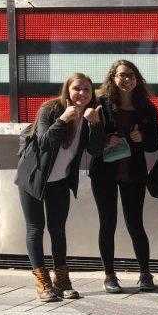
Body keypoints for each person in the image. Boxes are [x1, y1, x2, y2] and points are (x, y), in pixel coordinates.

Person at [15, 73, 104, 302]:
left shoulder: (90, 114)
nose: (82, 94)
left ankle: (62, 280)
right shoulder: (51, 109)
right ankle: (42, 281)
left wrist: (95, 124)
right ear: (67, 90)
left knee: (58, 230)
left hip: (60, 181)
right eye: (77, 89)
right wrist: (63, 119)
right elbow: (44, 143)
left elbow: (95, 150)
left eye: (86, 89)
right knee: (36, 229)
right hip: (34, 177)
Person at [90, 60, 158, 293]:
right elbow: (90, 143)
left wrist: (142, 139)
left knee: (135, 223)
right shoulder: (100, 104)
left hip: (133, 173)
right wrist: (103, 139)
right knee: (107, 223)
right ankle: (109, 275)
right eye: (121, 75)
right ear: (113, 78)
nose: (127, 80)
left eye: (131, 75)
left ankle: (145, 274)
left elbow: (154, 144)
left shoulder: (147, 108)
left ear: (137, 79)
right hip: (104, 173)